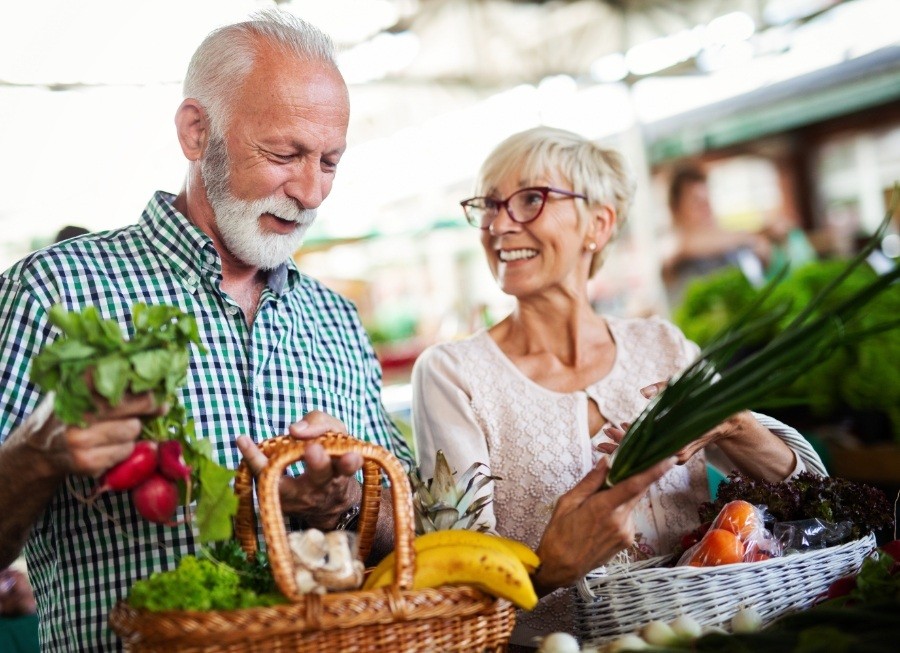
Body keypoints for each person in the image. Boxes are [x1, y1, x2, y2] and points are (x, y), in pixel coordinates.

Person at [0, 10, 413, 652]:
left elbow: (410, 526)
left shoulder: (335, 318)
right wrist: (36, 451)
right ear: (197, 132)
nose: (310, 192)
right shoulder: (54, 292)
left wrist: (348, 500)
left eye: (329, 161)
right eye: (285, 154)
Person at [411, 127, 826, 649]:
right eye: (488, 205)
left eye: (530, 200)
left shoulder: (664, 347)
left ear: (598, 224)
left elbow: (816, 498)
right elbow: (456, 581)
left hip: (712, 636)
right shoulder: (453, 374)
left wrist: (737, 426)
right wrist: (548, 569)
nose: (498, 225)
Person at [661, 164, 773, 307]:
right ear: (675, 209)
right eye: (697, 202)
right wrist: (751, 238)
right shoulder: (672, 245)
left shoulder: (726, 244)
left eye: (708, 201)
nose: (706, 208)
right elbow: (686, 245)